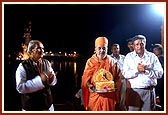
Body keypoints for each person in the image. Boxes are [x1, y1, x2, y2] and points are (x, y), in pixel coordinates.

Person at [122, 35, 163, 111]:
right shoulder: (129, 57)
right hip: (134, 92)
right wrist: (137, 70)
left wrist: (146, 71)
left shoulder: (152, 56)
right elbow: (125, 74)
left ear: (145, 44)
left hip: (149, 92)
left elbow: (160, 73)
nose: (139, 46)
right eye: (137, 44)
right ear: (133, 45)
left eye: (142, 44)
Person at [81, 37, 122, 111]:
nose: (102, 51)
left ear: (107, 49)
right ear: (95, 49)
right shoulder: (90, 62)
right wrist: (89, 85)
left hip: (109, 96)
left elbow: (118, 77)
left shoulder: (112, 62)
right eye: (99, 48)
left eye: (104, 48)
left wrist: (113, 86)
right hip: (95, 95)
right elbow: (85, 78)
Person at [15, 40, 57, 111]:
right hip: (31, 108)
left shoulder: (46, 63)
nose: (42, 50)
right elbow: (20, 88)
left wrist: (52, 79)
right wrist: (40, 80)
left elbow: (53, 82)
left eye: (43, 48)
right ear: (31, 51)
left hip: (48, 107)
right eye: (39, 48)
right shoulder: (22, 66)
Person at [110, 43, 126, 110]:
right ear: (111, 50)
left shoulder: (124, 58)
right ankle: (113, 108)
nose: (116, 50)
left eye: (117, 48)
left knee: (123, 95)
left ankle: (122, 108)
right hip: (114, 81)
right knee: (114, 95)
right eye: (114, 49)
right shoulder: (109, 58)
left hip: (123, 79)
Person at [152, 44, 164, 111]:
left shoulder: (161, 58)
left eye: (155, 50)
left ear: (160, 50)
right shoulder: (156, 59)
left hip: (161, 81)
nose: (154, 51)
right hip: (158, 82)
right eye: (153, 50)